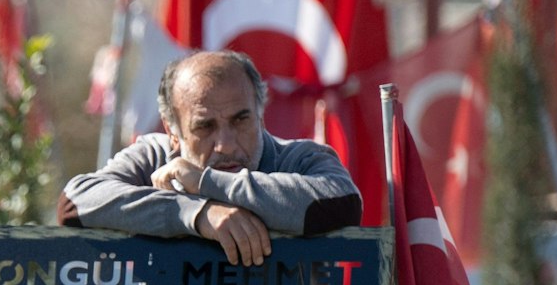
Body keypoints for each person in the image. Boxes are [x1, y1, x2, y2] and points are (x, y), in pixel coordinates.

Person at [57, 49, 362, 264]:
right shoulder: (155, 156)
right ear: (173, 131)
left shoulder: (299, 158)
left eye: (240, 120)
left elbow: (344, 203)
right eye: (205, 127)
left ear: (260, 114)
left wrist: (204, 181)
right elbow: (75, 203)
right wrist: (196, 214)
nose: (226, 145)